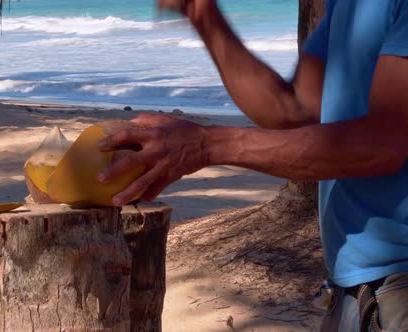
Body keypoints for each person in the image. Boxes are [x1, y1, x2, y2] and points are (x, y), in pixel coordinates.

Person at [97, 0, 408, 330]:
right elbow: (292, 109)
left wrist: (206, 145)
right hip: (359, 289)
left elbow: (383, 142)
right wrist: (203, 13)